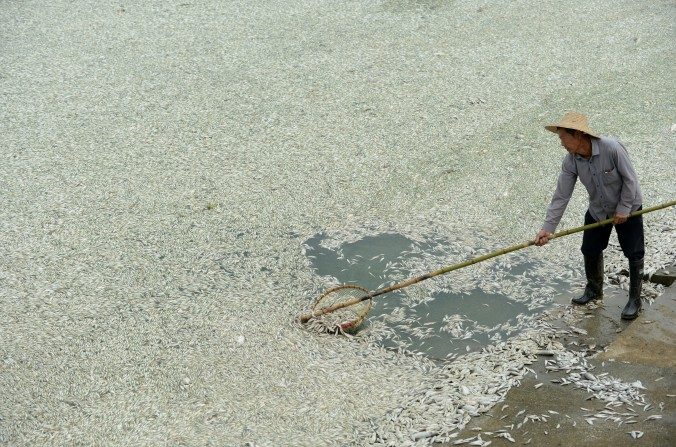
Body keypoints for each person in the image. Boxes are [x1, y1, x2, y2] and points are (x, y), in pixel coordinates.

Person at [534, 112, 644, 320]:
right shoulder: (571, 161)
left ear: (577, 134)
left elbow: (631, 180)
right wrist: (548, 228)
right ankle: (594, 289)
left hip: (629, 207)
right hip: (599, 210)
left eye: (562, 138)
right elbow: (561, 196)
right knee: (590, 249)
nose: (561, 144)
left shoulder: (612, 148)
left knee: (634, 253)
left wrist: (623, 209)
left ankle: (635, 300)